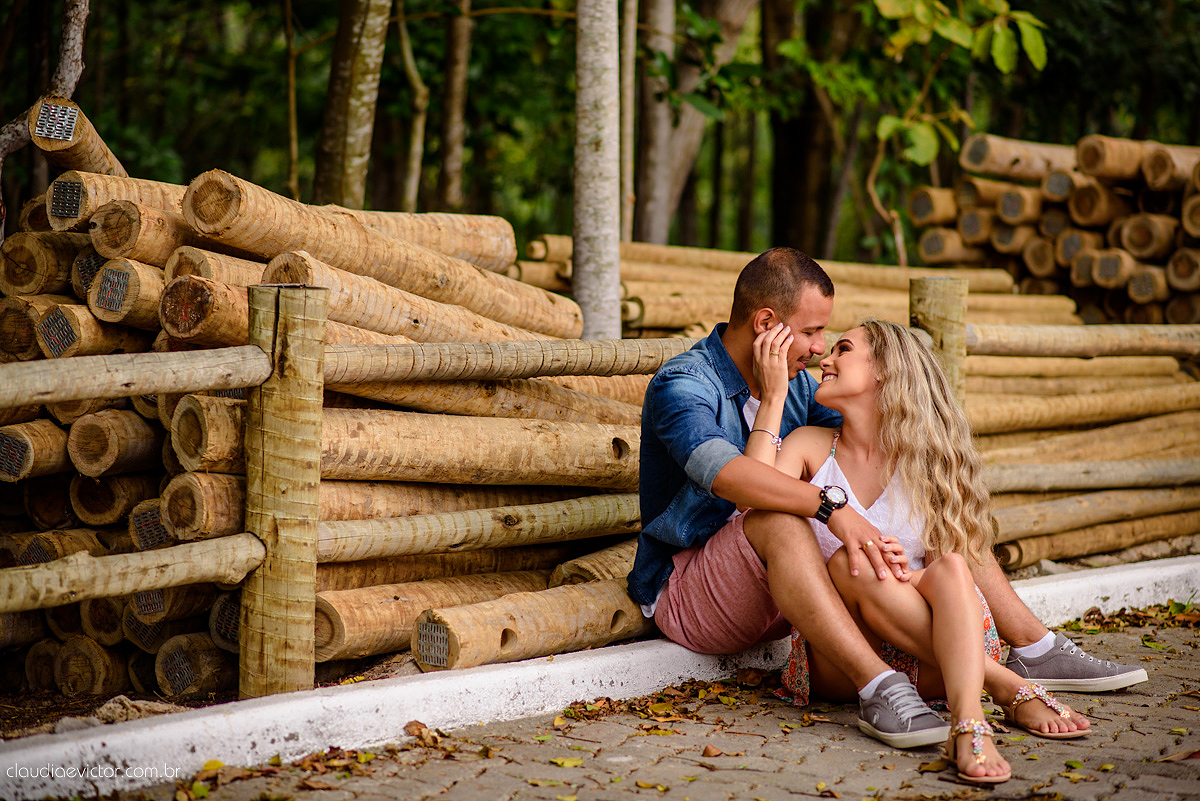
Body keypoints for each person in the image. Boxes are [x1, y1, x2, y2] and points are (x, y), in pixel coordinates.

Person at [629, 247, 1145, 747]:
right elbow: (731, 480)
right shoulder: (686, 385)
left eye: (828, 338)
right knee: (778, 516)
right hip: (695, 589)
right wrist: (833, 509)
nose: (818, 349)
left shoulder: (803, 388)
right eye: (810, 332)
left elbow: (863, 442)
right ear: (766, 324)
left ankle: (1035, 646)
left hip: (790, 595)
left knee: (931, 506)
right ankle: (893, 685)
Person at [745, 318, 1091, 783]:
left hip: (936, 653)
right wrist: (773, 398)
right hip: (847, 660)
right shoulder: (810, 447)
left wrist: (902, 575)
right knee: (851, 563)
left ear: (886, 370)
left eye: (843, 349)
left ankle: (969, 727)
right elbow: (753, 496)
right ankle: (1003, 683)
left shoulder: (925, 462)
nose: (824, 358)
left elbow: (945, 574)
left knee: (948, 564)